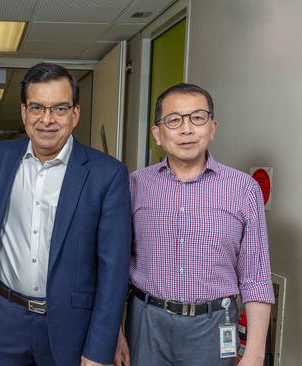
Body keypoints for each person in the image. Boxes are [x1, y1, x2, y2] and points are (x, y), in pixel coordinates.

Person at [115, 83, 274, 366]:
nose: (187, 129)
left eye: (197, 118)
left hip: (214, 325)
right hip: (147, 322)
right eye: (174, 120)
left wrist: (255, 353)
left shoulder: (243, 189)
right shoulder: (134, 185)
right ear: (157, 134)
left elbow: (256, 278)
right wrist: (115, 333)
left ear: (212, 127)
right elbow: (115, 266)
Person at [0, 62, 132, 366]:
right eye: (37, 107)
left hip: (72, 326)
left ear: (75, 114)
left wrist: (99, 348)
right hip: (7, 317)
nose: (46, 119)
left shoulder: (107, 174)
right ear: (24, 112)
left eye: (59, 109)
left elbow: (113, 271)